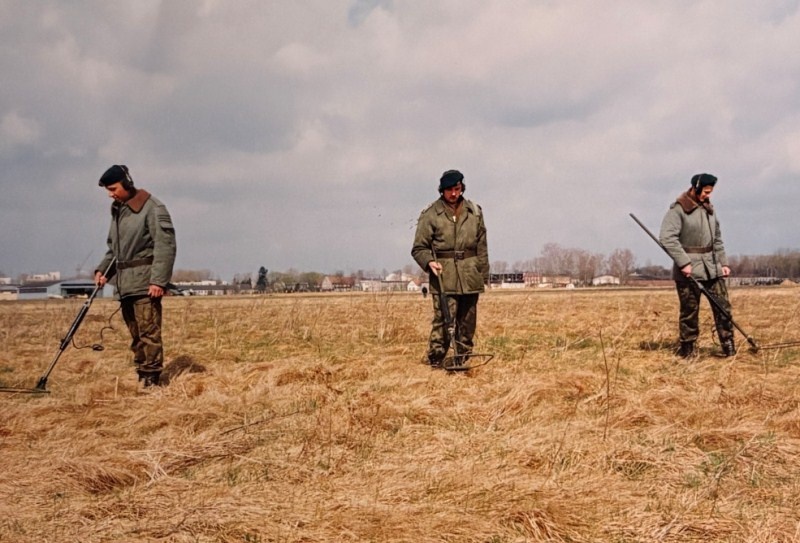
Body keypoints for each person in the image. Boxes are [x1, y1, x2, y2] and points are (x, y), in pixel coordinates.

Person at [94, 165, 177, 387]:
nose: (110, 194)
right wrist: (103, 270)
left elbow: (165, 246)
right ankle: (142, 373)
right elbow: (114, 250)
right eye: (108, 190)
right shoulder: (119, 210)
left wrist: (158, 281)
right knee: (136, 334)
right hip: (125, 283)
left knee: (148, 332)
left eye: (113, 188)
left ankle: (151, 379)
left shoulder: (153, 208)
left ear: (127, 184)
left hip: (145, 283)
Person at [412, 169, 489, 367]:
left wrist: (483, 275)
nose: (454, 194)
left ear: (462, 188)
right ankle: (436, 359)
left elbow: (482, 247)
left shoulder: (475, 212)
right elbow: (419, 248)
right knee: (444, 321)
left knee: (468, 321)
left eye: (457, 189)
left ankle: (462, 359)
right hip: (443, 276)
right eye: (449, 190)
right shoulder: (430, 215)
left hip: (470, 275)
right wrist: (429, 262)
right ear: (442, 191)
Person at [659, 173, 734, 358]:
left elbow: (717, 239)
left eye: (710, 192)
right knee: (689, 313)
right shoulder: (677, 210)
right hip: (688, 272)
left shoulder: (710, 210)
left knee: (724, 308)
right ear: (696, 188)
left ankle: (728, 346)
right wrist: (684, 262)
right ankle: (688, 349)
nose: (708, 195)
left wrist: (723, 263)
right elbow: (666, 238)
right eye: (706, 192)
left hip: (712, 269)